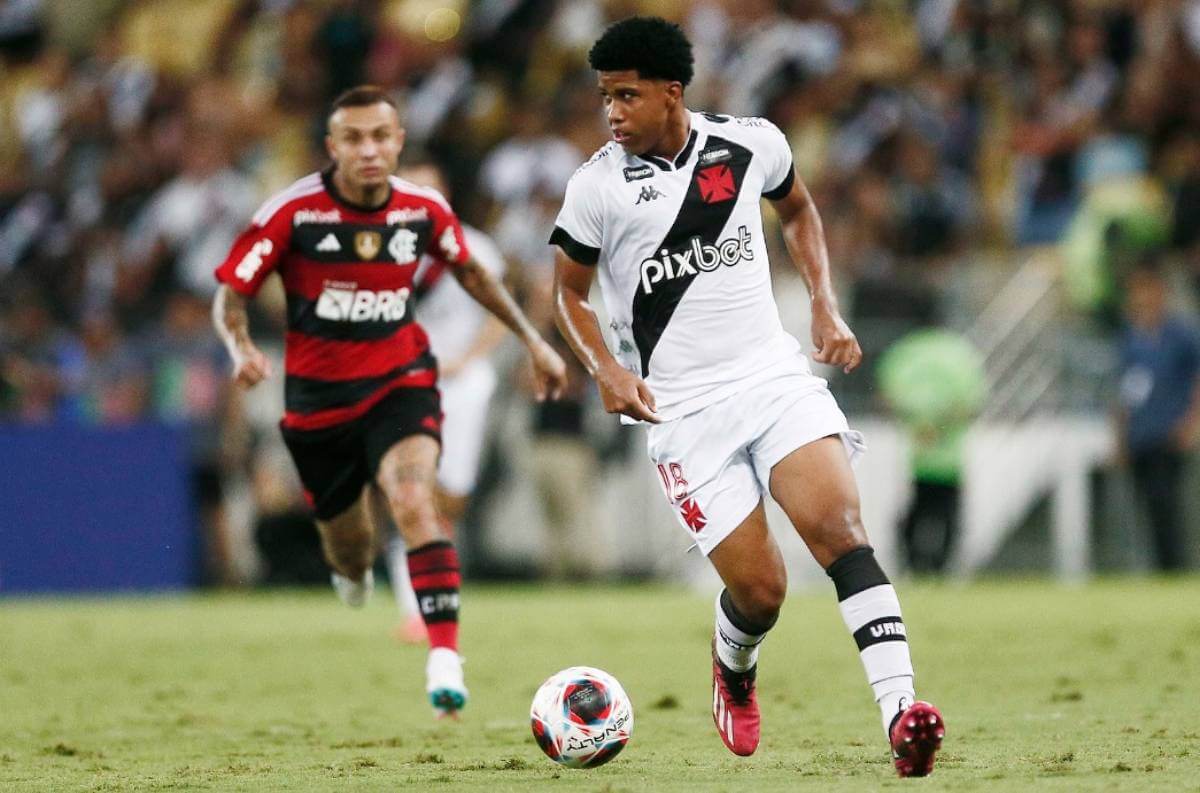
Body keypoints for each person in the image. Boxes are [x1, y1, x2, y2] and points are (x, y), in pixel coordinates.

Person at [550, 17, 943, 776]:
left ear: (672, 92)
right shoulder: (596, 186)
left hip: (771, 378)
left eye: (626, 95)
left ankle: (902, 715)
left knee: (841, 530)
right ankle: (734, 665)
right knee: (764, 590)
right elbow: (567, 294)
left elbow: (797, 208)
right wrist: (602, 365)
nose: (612, 112)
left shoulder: (751, 143)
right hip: (682, 412)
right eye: (604, 97)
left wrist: (825, 303)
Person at [212, 86, 567, 718]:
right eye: (354, 138)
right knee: (349, 548)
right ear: (332, 147)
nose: (369, 150)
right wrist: (240, 347)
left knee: (413, 500)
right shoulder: (292, 213)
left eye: (381, 136)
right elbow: (232, 292)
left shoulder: (422, 211)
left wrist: (534, 341)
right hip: (319, 403)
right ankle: (353, 574)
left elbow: (476, 275)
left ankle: (444, 658)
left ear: (398, 143)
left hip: (402, 383)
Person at [383, 159, 510, 644]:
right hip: (405, 384)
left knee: (451, 497)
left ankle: (433, 591)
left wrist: (468, 357)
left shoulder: (474, 247)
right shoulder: (379, 251)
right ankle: (415, 606)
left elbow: (500, 312)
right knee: (409, 490)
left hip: (463, 385)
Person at [1116, 260, 1200, 571]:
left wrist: (1192, 423)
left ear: (1160, 291)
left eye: (1145, 289)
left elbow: (1196, 379)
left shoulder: (1181, 334)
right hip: (1140, 435)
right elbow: (1123, 390)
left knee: (1167, 505)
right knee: (1145, 507)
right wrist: (1121, 437)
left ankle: (1173, 568)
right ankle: (1157, 569)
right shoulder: (1130, 337)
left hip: (1169, 434)